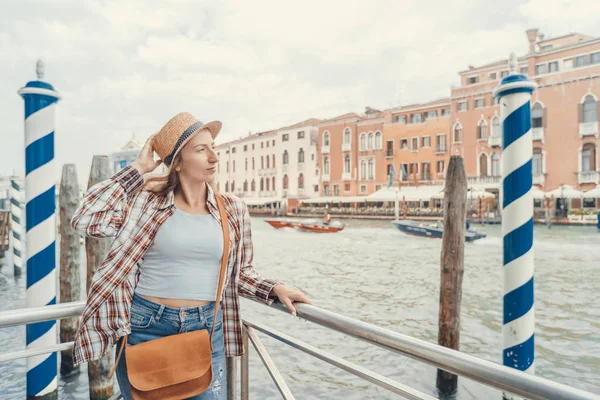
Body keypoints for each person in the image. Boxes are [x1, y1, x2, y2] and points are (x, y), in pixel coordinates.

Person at [70, 112, 311, 399]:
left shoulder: (233, 209)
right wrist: (137, 169)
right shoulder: (145, 203)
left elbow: (240, 272)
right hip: (147, 325)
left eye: (213, 147)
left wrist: (274, 288)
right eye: (201, 149)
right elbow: (85, 218)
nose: (214, 157)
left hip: (208, 328)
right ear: (178, 162)